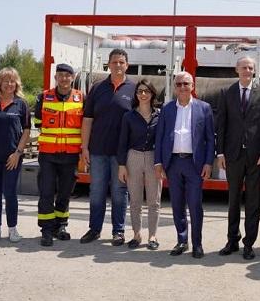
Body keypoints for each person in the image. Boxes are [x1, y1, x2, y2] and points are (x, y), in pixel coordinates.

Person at [216, 56, 260, 260]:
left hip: (256, 156)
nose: (247, 71)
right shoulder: (226, 93)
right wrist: (220, 153)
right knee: (233, 200)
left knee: (253, 201)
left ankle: (249, 243)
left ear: (254, 71)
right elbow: (221, 124)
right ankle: (232, 240)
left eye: (250, 68)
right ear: (236, 70)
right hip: (232, 155)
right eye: (244, 67)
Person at [154, 71, 215, 258]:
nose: (182, 87)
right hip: (173, 163)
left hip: (194, 164)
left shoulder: (204, 108)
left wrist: (208, 163)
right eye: (179, 84)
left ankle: (197, 243)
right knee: (177, 205)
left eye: (186, 84)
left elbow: (210, 138)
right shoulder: (167, 108)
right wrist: (158, 162)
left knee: (195, 205)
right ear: (174, 87)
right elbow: (160, 136)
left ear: (192, 86)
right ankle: (182, 240)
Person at [79, 49, 136, 245]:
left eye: (121, 62)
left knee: (120, 193)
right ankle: (94, 229)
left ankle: (118, 232)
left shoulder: (134, 89)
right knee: (96, 191)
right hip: (97, 151)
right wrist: (84, 148)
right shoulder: (97, 88)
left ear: (127, 65)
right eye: (114, 62)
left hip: (123, 154)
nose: (118, 65)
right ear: (108, 65)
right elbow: (87, 120)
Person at [35, 63, 83, 247]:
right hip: (48, 155)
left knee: (64, 193)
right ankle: (46, 230)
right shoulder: (44, 97)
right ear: (56, 77)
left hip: (70, 155)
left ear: (73, 77)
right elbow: (38, 122)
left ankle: (60, 226)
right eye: (60, 75)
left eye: (67, 75)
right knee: (46, 192)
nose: (64, 78)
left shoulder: (80, 98)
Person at [0, 67, 31, 244]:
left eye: (12, 81)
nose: (9, 84)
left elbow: (26, 131)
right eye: (6, 80)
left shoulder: (22, 104)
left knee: (10, 193)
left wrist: (18, 153)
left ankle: (12, 229)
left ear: (16, 83)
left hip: (12, 157)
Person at [117, 79, 162, 250]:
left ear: (152, 94)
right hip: (133, 157)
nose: (143, 94)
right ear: (136, 94)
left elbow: (164, 140)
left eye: (147, 91)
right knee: (135, 200)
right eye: (140, 91)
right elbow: (122, 142)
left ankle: (152, 235)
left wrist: (162, 163)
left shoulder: (160, 115)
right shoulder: (129, 116)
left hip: (153, 158)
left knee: (154, 200)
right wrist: (122, 165)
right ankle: (136, 234)